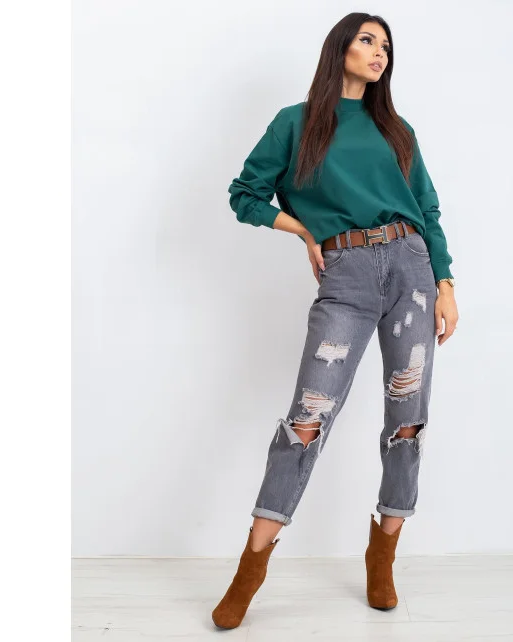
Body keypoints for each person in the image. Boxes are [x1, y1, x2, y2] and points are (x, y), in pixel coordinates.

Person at [212, 12, 459, 630]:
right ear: (340, 48)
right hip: (345, 274)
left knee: (408, 421)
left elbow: (427, 209)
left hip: (411, 271)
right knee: (307, 420)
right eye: (368, 40)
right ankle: (250, 570)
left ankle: (383, 555)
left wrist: (446, 283)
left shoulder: (397, 130)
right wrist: (304, 230)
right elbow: (245, 194)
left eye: (386, 46)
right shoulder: (296, 123)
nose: (379, 53)